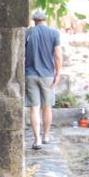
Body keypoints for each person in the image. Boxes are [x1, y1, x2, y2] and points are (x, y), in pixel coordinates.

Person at [24, 8, 62, 150]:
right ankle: (46, 136)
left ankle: (37, 140)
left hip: (30, 74)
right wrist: (58, 74)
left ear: (34, 20)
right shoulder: (54, 33)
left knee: (34, 108)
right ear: (45, 19)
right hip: (47, 75)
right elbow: (57, 56)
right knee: (47, 107)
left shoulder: (27, 32)